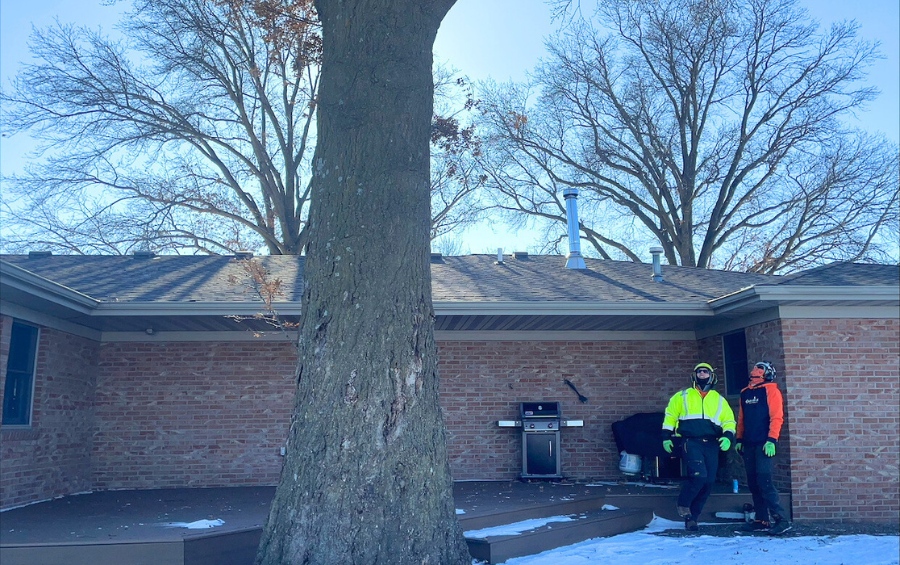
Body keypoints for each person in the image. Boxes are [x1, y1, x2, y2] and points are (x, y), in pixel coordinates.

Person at [661, 362, 736, 531]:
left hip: (712, 443)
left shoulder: (719, 399)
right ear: (694, 376)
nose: (702, 374)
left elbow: (729, 420)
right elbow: (670, 416)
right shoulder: (682, 396)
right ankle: (683, 504)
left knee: (709, 482)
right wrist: (666, 436)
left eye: (706, 371)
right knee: (699, 476)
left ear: (712, 375)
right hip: (690, 441)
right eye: (699, 371)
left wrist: (728, 436)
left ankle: (692, 518)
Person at [736, 361, 792, 534]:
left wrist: (772, 439)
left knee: (764, 481)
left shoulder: (771, 391)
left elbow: (777, 417)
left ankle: (781, 519)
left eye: (759, 372)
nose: (755, 374)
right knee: (753, 483)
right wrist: (739, 438)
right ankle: (761, 519)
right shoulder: (745, 393)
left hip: (764, 443)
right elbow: (741, 419)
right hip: (749, 443)